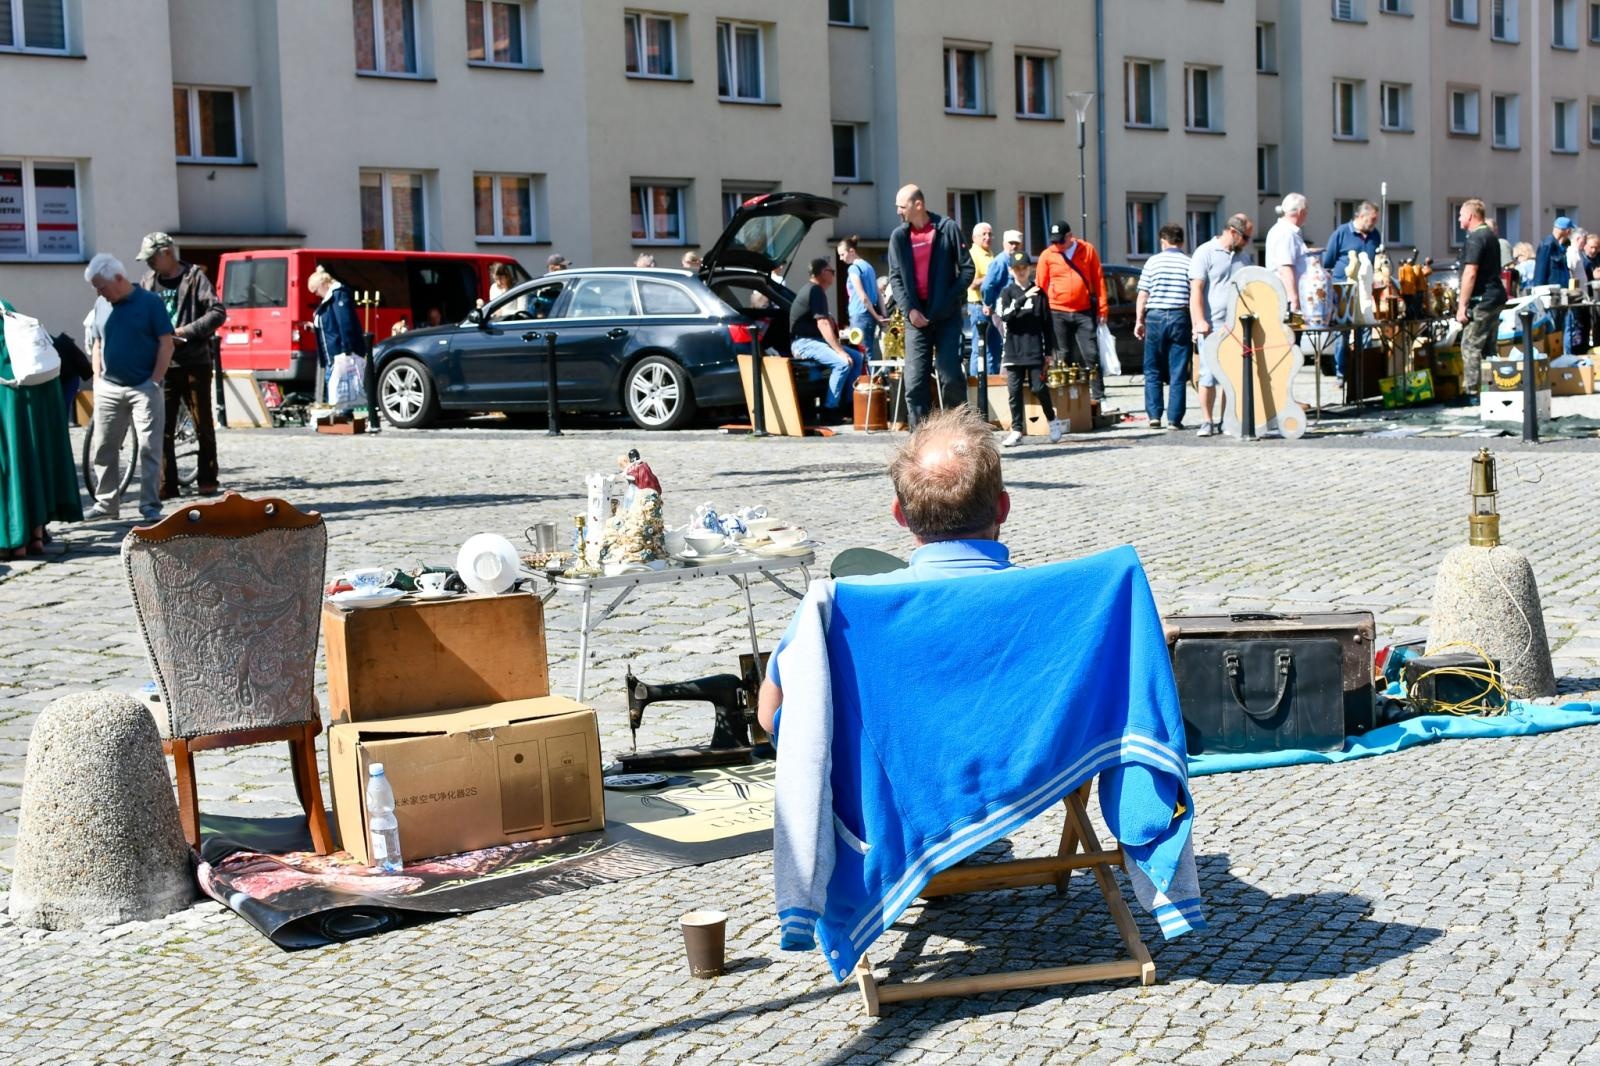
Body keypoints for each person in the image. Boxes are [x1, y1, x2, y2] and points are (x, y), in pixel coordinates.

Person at [757, 405, 1011, 731]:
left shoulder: (835, 606)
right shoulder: (1057, 599)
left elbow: (770, 716)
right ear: (1002, 508)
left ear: (899, 514)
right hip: (1035, 782)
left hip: (885, 783)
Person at [82, 254, 173, 522]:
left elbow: (165, 343)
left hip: (144, 387)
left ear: (119, 279)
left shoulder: (150, 303)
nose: (99, 292)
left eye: (102, 286)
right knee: (104, 447)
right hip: (109, 387)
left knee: (149, 448)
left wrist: (154, 381)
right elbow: (97, 343)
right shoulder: (101, 303)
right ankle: (106, 502)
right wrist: (97, 379)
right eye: (96, 288)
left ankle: (149, 506)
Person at [137, 233, 224, 499]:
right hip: (162, 363)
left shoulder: (194, 277)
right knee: (161, 426)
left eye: (152, 258)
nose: (149, 264)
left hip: (193, 360)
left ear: (165, 253)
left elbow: (217, 312)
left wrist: (186, 331)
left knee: (203, 424)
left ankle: (207, 479)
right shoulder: (148, 282)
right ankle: (167, 484)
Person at [1, 296, 83, 558]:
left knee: (9, 466)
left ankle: (13, 539)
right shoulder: (8, 311)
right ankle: (35, 535)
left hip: (6, 396)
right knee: (29, 460)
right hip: (31, 392)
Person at [886, 184, 973, 427]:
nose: (898, 212)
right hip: (915, 319)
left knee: (949, 376)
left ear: (918, 205)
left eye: (902, 207)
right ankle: (920, 443)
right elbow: (895, 278)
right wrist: (909, 310)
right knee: (914, 382)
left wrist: (948, 297)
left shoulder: (947, 229)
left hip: (946, 317)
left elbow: (967, 269)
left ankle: (959, 436)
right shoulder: (899, 237)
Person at [1188, 213, 1256, 437]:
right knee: (1207, 375)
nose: (1247, 243)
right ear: (1233, 232)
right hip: (1211, 325)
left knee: (1231, 375)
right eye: (1245, 238)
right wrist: (1199, 320)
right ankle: (1206, 420)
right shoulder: (1205, 252)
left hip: (1237, 327)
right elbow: (1196, 289)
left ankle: (1226, 419)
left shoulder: (1243, 258)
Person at [1036, 221, 1111, 409]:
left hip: (1083, 311)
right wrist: (1040, 313)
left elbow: (1098, 279)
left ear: (1070, 236)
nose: (1058, 245)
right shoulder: (1047, 255)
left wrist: (1103, 308)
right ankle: (1066, 397)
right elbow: (1040, 286)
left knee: (1091, 354)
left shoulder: (1087, 250)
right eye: (1055, 242)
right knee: (1063, 356)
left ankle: (1099, 396)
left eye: (1061, 241)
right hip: (1057, 311)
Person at [995, 252, 1062, 446]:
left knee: (1038, 388)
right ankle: (1017, 430)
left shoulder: (1040, 293)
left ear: (1030, 269)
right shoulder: (1007, 292)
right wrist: (1023, 297)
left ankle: (1052, 420)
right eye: (1017, 268)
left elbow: (1047, 324)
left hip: (1034, 349)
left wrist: (1049, 352)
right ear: (1011, 270)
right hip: (1013, 350)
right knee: (1014, 391)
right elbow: (1005, 316)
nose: (1021, 271)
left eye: (1024, 268)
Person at [1134, 223, 1192, 430]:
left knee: (1152, 369)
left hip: (1155, 316)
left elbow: (1143, 294)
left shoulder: (1152, 262)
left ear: (1163, 241)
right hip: (1179, 315)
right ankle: (1175, 419)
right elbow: (1193, 295)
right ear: (1182, 241)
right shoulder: (1188, 263)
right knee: (1177, 370)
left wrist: (1139, 321)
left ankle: (1154, 415)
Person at [788, 256, 861, 423]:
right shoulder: (815, 290)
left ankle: (850, 404)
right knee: (842, 363)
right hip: (804, 343)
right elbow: (822, 324)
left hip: (813, 341)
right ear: (822, 273)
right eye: (832, 271)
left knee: (857, 357)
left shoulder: (815, 290)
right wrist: (840, 351)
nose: (834, 275)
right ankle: (830, 409)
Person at [1320, 202, 1381, 384]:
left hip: (1365, 289)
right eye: (1372, 219)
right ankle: (1342, 374)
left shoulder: (1374, 235)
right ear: (1361, 216)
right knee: (1343, 333)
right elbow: (1328, 260)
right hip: (1344, 289)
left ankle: (1362, 371)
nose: (1374, 223)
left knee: (1365, 330)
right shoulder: (1341, 233)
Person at [307, 266, 372, 425]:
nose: (315, 295)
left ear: (324, 285)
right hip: (333, 351)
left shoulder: (337, 295)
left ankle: (343, 416)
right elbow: (332, 323)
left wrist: (346, 348)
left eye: (315, 290)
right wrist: (314, 326)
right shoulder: (331, 298)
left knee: (340, 384)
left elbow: (344, 323)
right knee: (340, 385)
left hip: (339, 350)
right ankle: (343, 415)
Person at [1455, 199, 1505, 398]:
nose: (1459, 219)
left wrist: (1462, 306)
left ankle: (1472, 392)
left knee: (1470, 345)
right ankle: (1493, 389)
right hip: (1495, 296)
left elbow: (1471, 273)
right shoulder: (1491, 236)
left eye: (1460, 215)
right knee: (1488, 347)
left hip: (1483, 300)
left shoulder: (1476, 238)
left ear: (1470, 216)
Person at [837, 236, 886, 364]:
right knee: (870, 351)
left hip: (859, 315)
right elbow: (878, 294)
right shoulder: (869, 267)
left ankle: (867, 382)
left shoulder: (853, 269)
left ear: (851, 252)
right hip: (869, 316)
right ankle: (874, 380)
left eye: (842, 254)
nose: (841, 258)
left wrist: (877, 316)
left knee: (862, 353)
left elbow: (863, 297)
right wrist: (882, 315)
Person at [1265, 193, 1310, 316]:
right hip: (1288, 303)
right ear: (1300, 212)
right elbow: (1285, 269)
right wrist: (1294, 302)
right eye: (1306, 212)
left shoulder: (1285, 231)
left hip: (1284, 299)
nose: (1307, 216)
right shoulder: (1286, 233)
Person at [965, 221, 1001, 375]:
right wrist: (992, 278)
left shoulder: (991, 254)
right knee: (979, 349)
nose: (988, 237)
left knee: (993, 349)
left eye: (990, 234)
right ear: (974, 238)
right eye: (983, 234)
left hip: (991, 307)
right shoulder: (972, 255)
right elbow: (972, 283)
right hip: (979, 307)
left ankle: (991, 385)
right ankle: (976, 387)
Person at [1533, 217, 1573, 288]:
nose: (1570, 233)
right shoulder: (1547, 245)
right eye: (1570, 230)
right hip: (1551, 292)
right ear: (1567, 231)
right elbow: (1540, 271)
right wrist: (1538, 290)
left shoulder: (1561, 246)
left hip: (1561, 290)